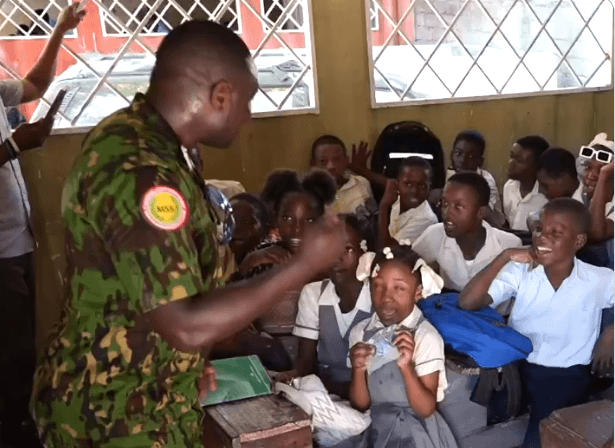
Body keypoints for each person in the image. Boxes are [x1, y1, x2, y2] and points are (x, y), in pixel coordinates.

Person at [31, 21, 347, 447]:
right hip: (113, 412)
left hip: (154, 394)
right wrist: (305, 263)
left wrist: (186, 364)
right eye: (247, 100)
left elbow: (160, 286)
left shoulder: (169, 151)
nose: (250, 117)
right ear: (220, 95)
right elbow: (185, 324)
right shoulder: (139, 169)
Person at [459, 198, 614, 448]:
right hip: (519, 367)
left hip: (565, 376)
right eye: (540, 229)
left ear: (578, 241)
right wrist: (504, 256)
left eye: (556, 233)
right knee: (483, 427)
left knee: (540, 440)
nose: (543, 237)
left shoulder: (597, 279)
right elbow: (468, 302)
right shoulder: (521, 271)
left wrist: (611, 331)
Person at [0, 4, 85, 447]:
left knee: (21, 343)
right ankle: (14, 431)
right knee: (9, 350)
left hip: (17, 239)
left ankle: (22, 421)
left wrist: (60, 31)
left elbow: (36, 84)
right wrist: (15, 145)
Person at [348, 245, 458, 448]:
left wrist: (407, 367)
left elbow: (426, 409)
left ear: (417, 293)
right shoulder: (360, 333)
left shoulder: (426, 336)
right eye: (378, 286)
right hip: (377, 430)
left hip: (417, 434)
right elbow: (361, 404)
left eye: (399, 288)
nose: (386, 296)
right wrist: (358, 368)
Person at [278, 215, 372, 398]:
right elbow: (305, 363)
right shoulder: (313, 294)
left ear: (365, 252)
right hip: (327, 395)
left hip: (369, 397)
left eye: (348, 249)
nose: (337, 258)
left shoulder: (379, 296)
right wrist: (293, 378)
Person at [412, 172, 521, 292]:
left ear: (481, 212)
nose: (447, 213)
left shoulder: (508, 246)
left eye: (458, 206)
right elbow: (408, 263)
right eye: (445, 204)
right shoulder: (435, 235)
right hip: (451, 308)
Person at [379, 156, 438, 248]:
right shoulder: (397, 199)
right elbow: (386, 182)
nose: (414, 191)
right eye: (408, 184)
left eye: (422, 186)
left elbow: (388, 250)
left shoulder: (425, 219)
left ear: (429, 188)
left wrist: (384, 206)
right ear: (397, 185)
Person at [310, 135, 375, 215]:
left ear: (346, 161)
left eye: (337, 159)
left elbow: (373, 219)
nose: (331, 166)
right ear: (313, 165)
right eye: (323, 161)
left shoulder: (361, 183)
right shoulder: (308, 194)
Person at [446, 130, 501, 213]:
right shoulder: (447, 175)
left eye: (471, 156)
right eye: (458, 153)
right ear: (451, 155)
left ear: (480, 161)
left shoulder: (486, 182)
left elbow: (484, 214)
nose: (463, 160)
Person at [503, 136, 550, 231]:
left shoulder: (546, 195)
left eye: (519, 161)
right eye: (511, 156)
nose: (511, 162)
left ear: (537, 167)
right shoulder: (509, 187)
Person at [228, 193, 270, 265]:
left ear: (266, 229)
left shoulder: (271, 263)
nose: (237, 228)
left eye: (246, 222)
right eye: (230, 221)